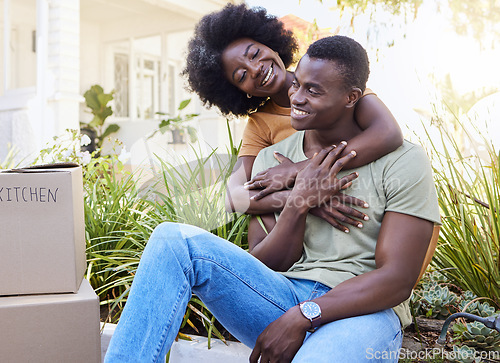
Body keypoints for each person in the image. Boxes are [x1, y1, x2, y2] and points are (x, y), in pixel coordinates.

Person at [105, 35, 440, 363]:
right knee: (172, 239)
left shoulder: (403, 160)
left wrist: (305, 315)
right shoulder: (270, 162)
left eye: (313, 90)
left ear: (352, 97)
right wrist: (298, 201)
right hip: (281, 297)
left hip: (363, 312)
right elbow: (268, 263)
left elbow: (397, 279)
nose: (296, 96)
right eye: (298, 85)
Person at [184, 3, 403, 233]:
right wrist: (303, 199)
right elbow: (234, 197)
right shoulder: (261, 124)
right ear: (240, 92)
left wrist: (297, 170)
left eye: (255, 54)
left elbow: (388, 133)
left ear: (272, 45)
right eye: (242, 76)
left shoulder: (328, 78)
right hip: (308, 237)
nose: (255, 69)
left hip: (368, 208)